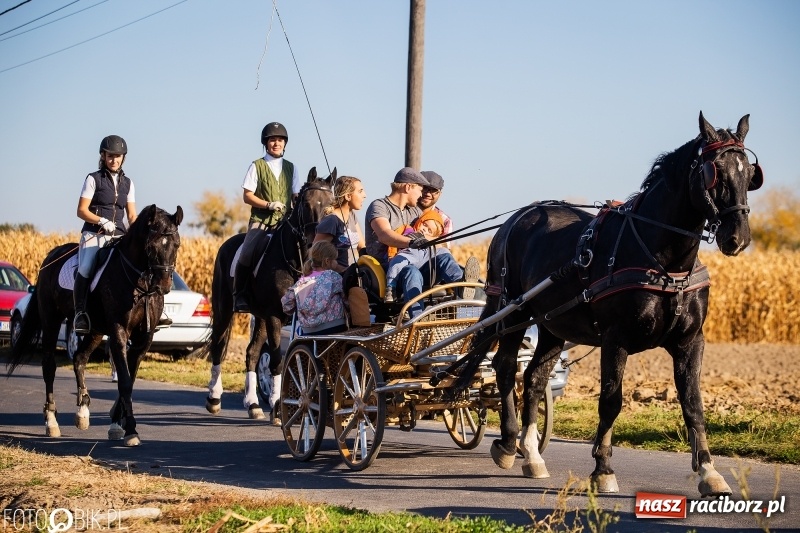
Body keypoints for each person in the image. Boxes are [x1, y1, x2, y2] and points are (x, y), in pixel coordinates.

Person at [364, 167, 463, 318]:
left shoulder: (414, 212)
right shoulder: (379, 206)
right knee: (412, 271)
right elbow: (385, 235)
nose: (422, 194)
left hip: (420, 262)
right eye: (420, 189)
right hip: (392, 268)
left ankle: (463, 286)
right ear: (408, 187)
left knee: (443, 257)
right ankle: (418, 317)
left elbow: (432, 237)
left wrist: (431, 242)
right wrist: (412, 242)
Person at [233, 121, 302, 312]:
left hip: (285, 222)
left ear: (285, 144)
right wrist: (268, 204)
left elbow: (295, 195)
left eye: (280, 140)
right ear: (266, 143)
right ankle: (240, 294)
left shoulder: (292, 168)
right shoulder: (257, 166)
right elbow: (247, 196)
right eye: (272, 140)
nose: (276, 143)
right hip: (261, 221)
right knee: (247, 252)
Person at [73, 135, 137, 334]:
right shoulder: (93, 179)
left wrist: (136, 233)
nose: (114, 160)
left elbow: (132, 214)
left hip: (118, 236)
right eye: (110, 156)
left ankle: (149, 312)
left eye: (118, 156)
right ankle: (80, 313)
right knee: (85, 267)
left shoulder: (128, 183)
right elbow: (81, 210)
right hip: (95, 235)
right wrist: (101, 220)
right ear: (103, 155)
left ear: (123, 158)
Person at [280, 241, 347, 335]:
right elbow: (346, 299)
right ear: (327, 261)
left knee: (300, 332)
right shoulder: (333, 277)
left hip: (308, 330)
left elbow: (286, 304)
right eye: (335, 259)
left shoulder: (302, 281)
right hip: (334, 326)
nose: (337, 262)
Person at [384, 210, 447, 303]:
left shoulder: (428, 241)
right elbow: (394, 241)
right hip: (404, 258)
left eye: (430, 231)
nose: (425, 229)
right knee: (397, 263)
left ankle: (460, 283)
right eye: (425, 225)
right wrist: (391, 255)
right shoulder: (407, 229)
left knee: (443, 253)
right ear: (420, 221)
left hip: (419, 262)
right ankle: (390, 288)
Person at [313, 176, 367, 273]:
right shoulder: (331, 221)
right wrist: (341, 270)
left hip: (352, 275)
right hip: (335, 278)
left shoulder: (352, 215)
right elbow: (316, 254)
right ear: (348, 196)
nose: (364, 195)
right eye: (360, 191)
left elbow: (361, 247)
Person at [419, 171, 453, 248]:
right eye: (425, 188)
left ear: (440, 194)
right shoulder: (404, 211)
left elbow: (445, 247)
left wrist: (421, 238)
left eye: (433, 190)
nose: (428, 194)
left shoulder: (445, 220)